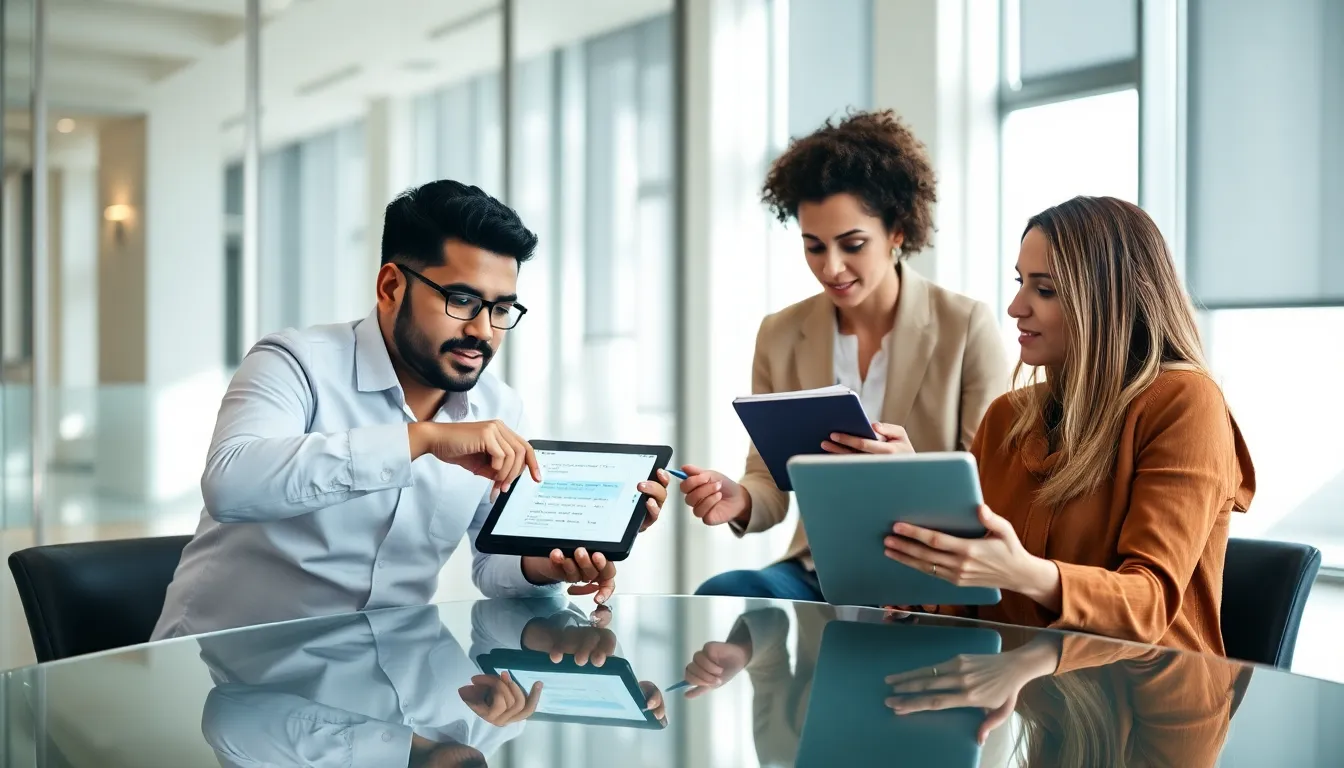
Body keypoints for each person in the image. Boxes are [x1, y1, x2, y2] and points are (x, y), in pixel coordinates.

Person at [153, 180, 671, 640]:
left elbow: (493, 561)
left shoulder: (499, 405)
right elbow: (231, 484)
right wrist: (421, 440)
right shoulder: (294, 363)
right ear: (390, 287)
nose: (484, 331)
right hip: (222, 679)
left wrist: (546, 566)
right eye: (463, 300)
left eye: (501, 308)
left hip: (386, 693)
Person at [880, 196, 1255, 653]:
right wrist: (930, 595)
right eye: (1020, 283)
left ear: (1109, 300)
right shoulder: (1006, 418)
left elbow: (1149, 603)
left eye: (1045, 289)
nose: (1016, 306)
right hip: (1028, 699)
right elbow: (981, 600)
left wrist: (1019, 571)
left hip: (1151, 699)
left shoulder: (1184, 402)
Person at [678, 109, 1009, 599]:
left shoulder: (965, 327)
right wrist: (742, 499)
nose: (831, 267)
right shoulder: (780, 334)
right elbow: (771, 478)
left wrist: (911, 473)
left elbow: (991, 486)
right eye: (814, 247)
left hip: (929, 568)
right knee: (724, 591)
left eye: (852, 244)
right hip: (817, 567)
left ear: (897, 231)